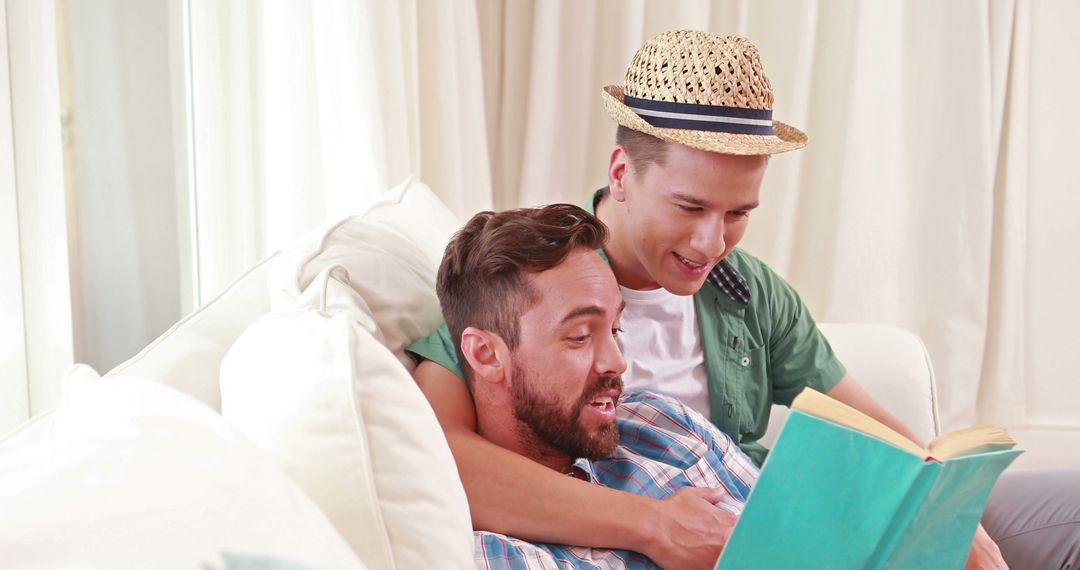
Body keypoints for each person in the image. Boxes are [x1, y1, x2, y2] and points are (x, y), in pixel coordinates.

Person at [409, 30, 1005, 568]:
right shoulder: (539, 279)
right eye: (690, 207)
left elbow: (883, 440)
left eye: (738, 213)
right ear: (622, 174)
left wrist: (951, 515)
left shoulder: (747, 296)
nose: (713, 242)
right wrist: (655, 525)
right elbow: (447, 464)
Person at [437, 204, 758, 568]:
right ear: (487, 355)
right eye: (579, 337)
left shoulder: (663, 422)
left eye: (616, 329)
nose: (617, 362)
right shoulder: (496, 553)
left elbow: (803, 533)